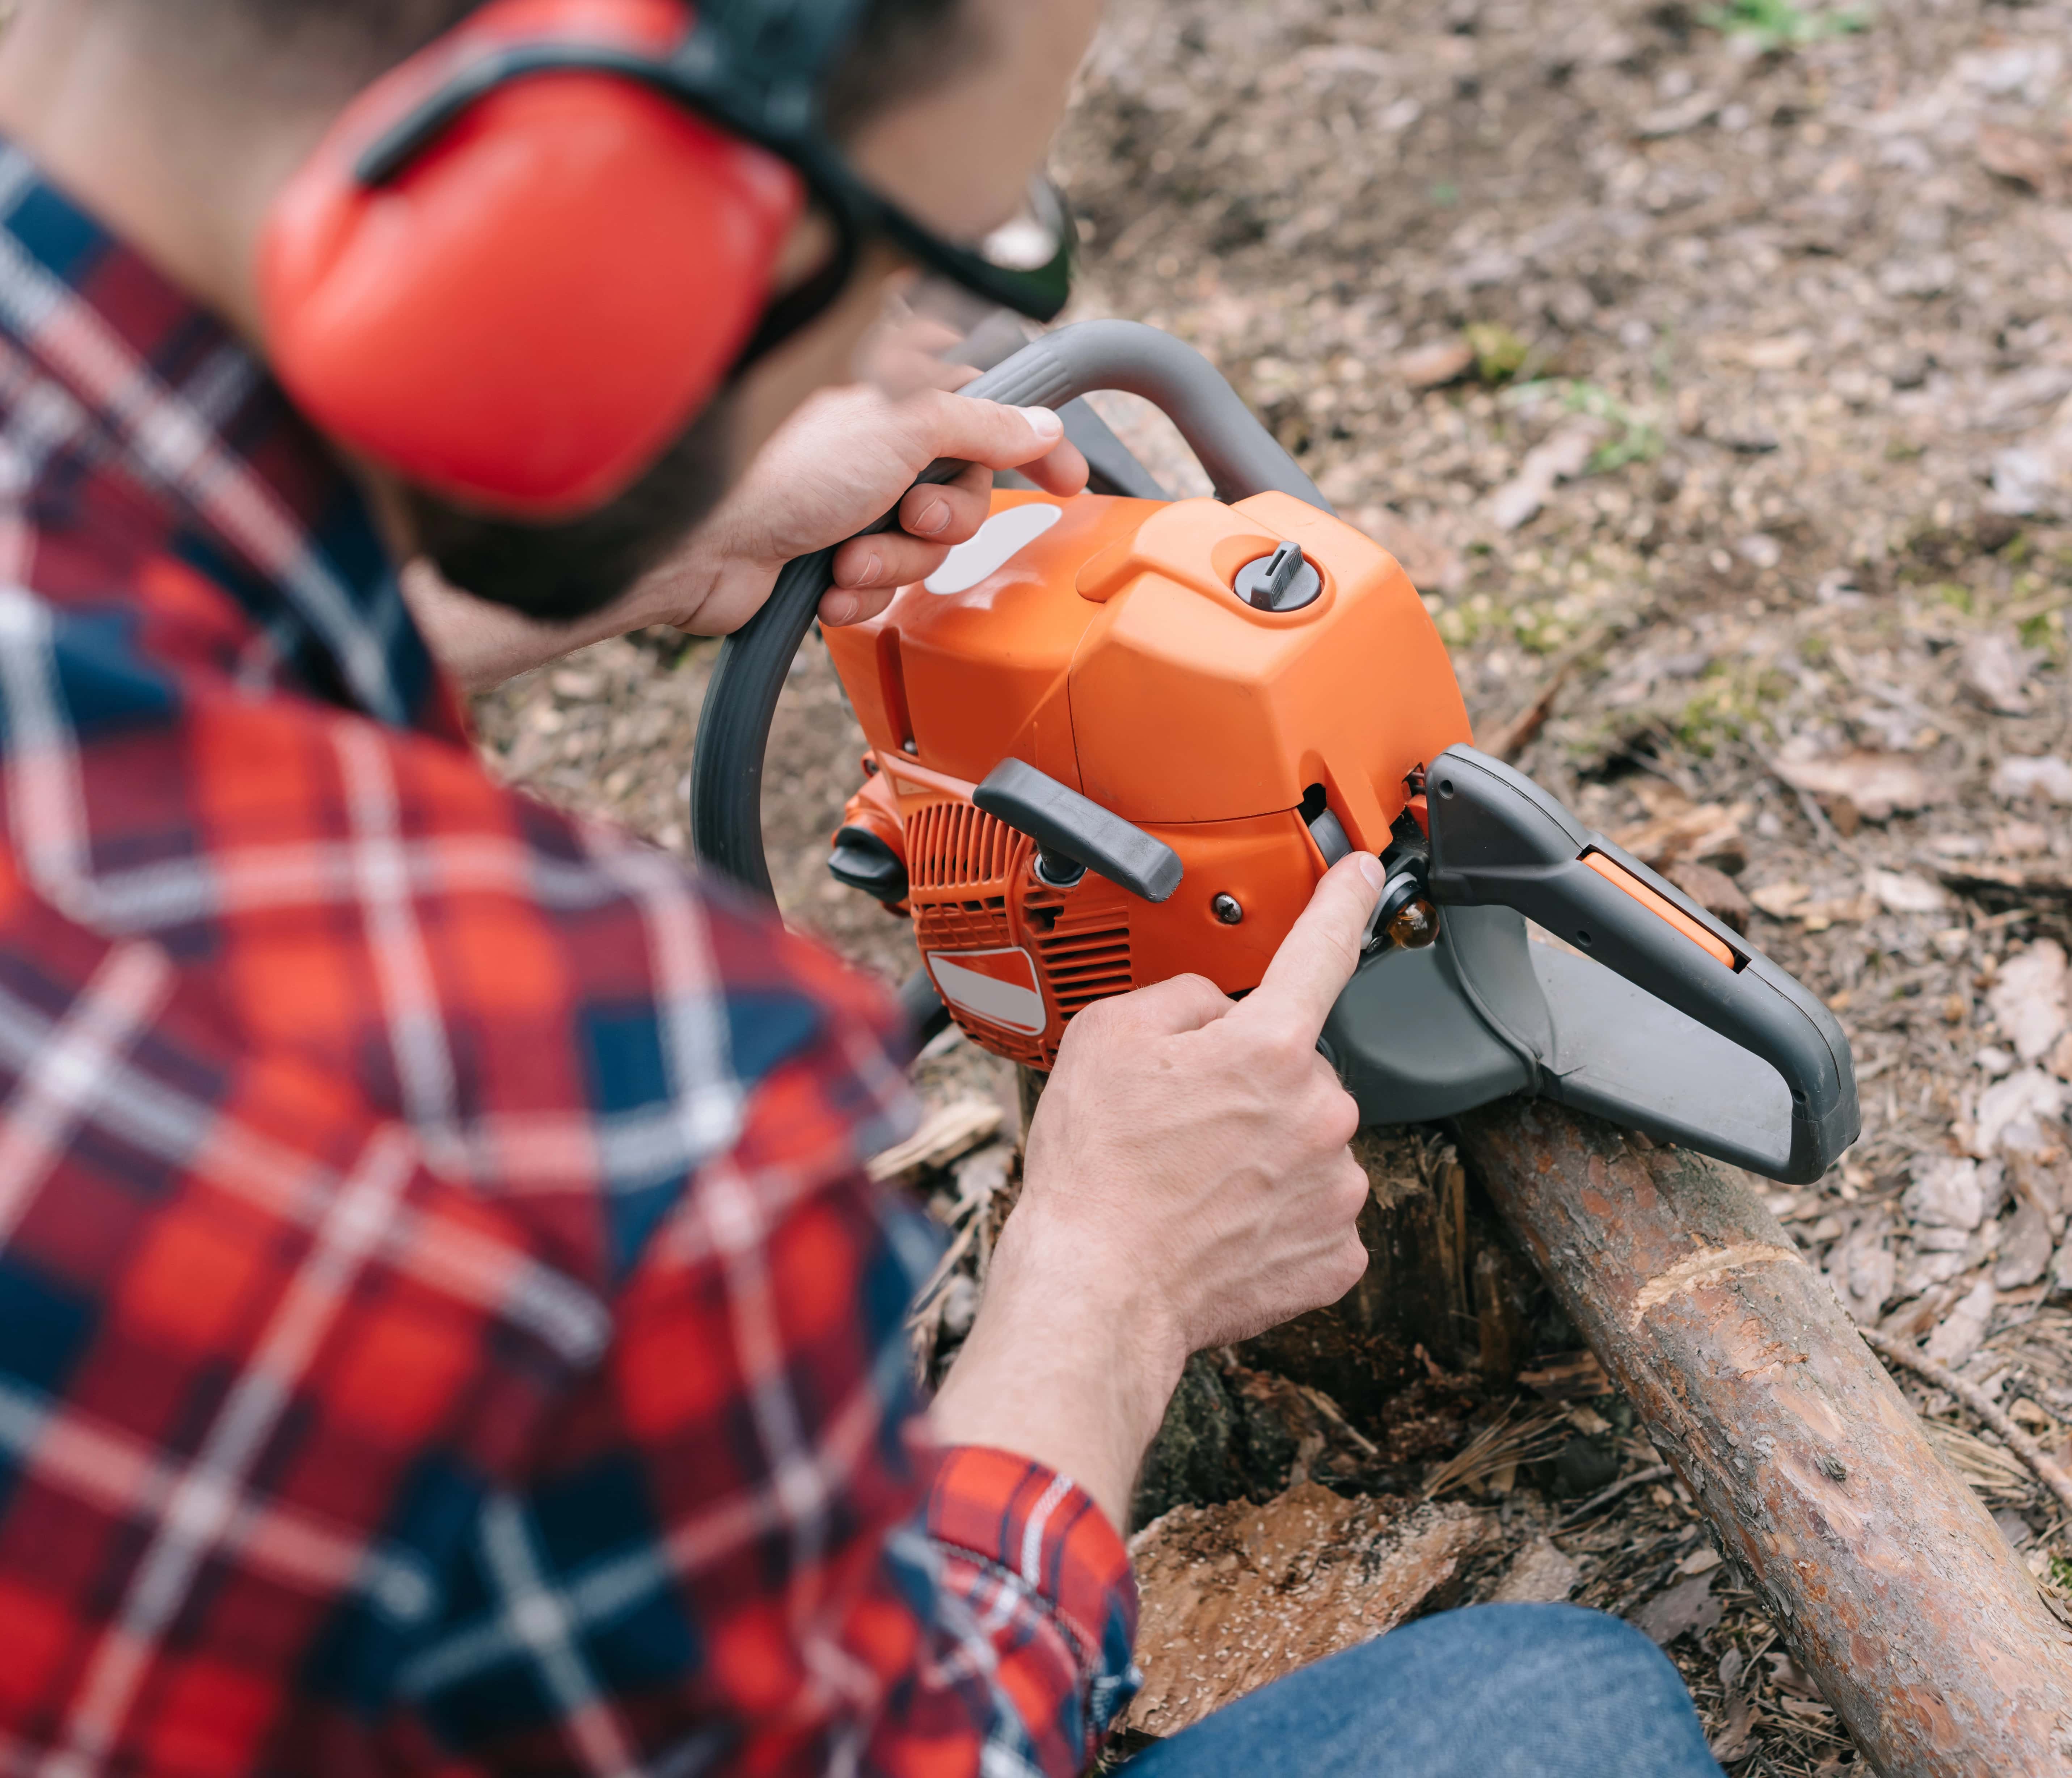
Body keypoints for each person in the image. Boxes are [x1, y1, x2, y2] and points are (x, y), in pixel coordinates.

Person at [0, 3, 1723, 1775]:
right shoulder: (553, 1125)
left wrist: (627, 529)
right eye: (931, 242)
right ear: (562, 200)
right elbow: (899, 1741)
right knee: (1559, 1720)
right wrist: (1107, 1278)